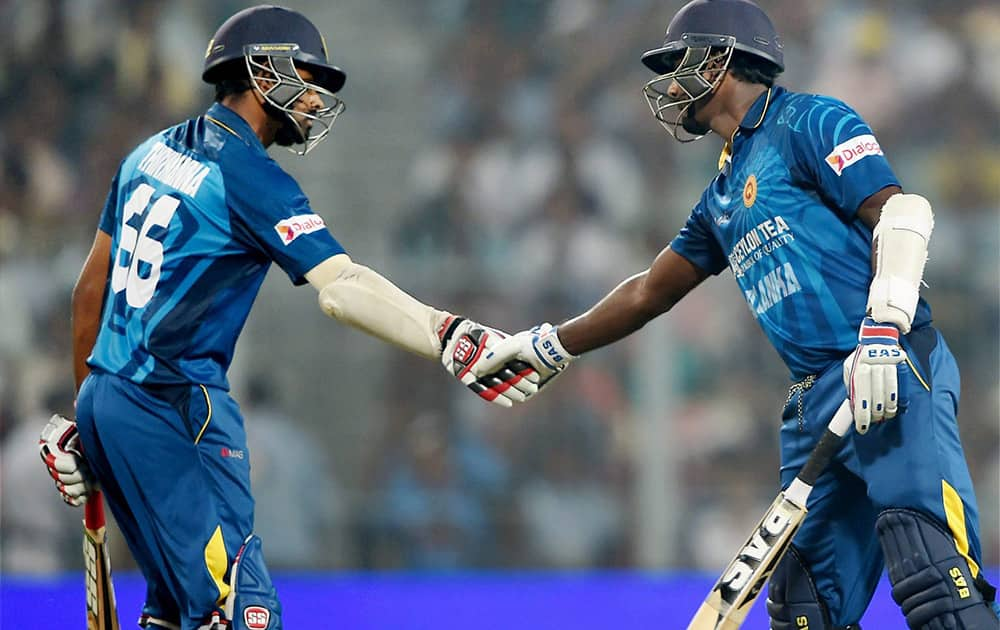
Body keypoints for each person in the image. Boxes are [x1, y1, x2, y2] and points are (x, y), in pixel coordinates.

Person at [473, 1, 999, 628]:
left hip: (888, 367)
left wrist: (884, 328)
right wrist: (549, 345)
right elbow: (649, 292)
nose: (668, 84)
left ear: (720, 60)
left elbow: (904, 213)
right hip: (815, 403)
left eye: (678, 64)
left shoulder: (810, 119)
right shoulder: (719, 194)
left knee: (934, 576)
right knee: (804, 609)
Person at [36, 6, 535, 630]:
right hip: (176, 412)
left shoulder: (147, 153)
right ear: (261, 71)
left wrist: (89, 414)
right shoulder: (247, 173)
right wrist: (448, 334)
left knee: (174, 614)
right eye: (308, 74)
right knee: (241, 614)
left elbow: (90, 293)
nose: (319, 96)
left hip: (110, 399)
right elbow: (340, 287)